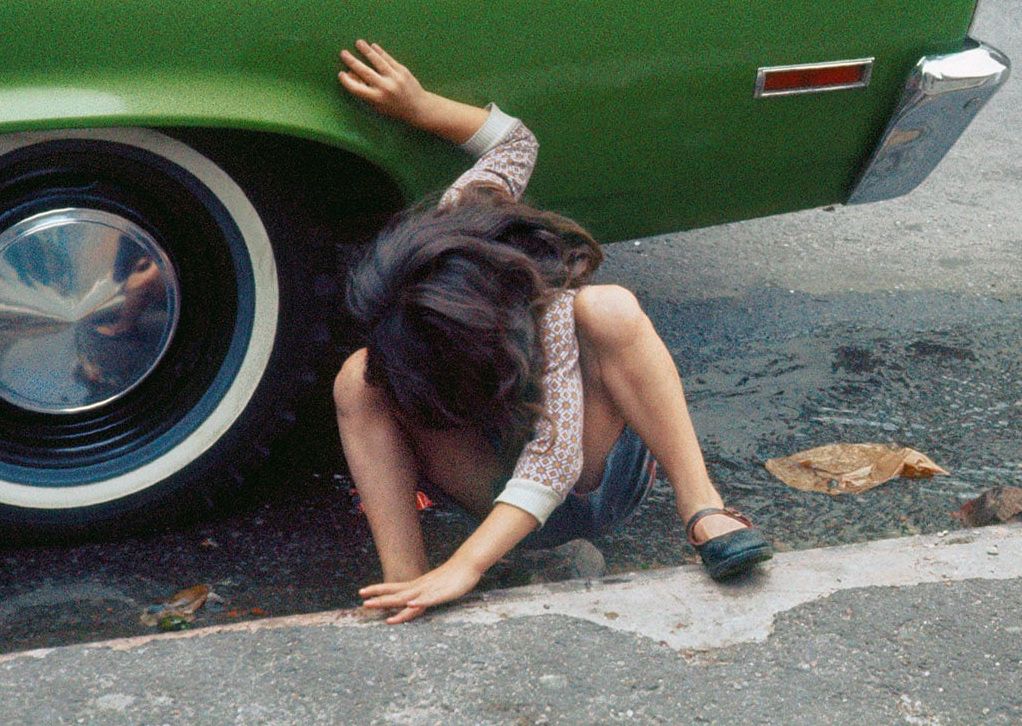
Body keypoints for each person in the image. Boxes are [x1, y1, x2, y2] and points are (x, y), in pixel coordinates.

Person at [331, 40, 772, 624]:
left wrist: (468, 565)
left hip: (586, 489)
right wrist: (416, 107)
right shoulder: (464, 215)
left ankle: (703, 509)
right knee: (359, 376)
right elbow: (515, 141)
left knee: (610, 309)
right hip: (482, 486)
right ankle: (405, 577)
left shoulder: (551, 313)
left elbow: (554, 462)